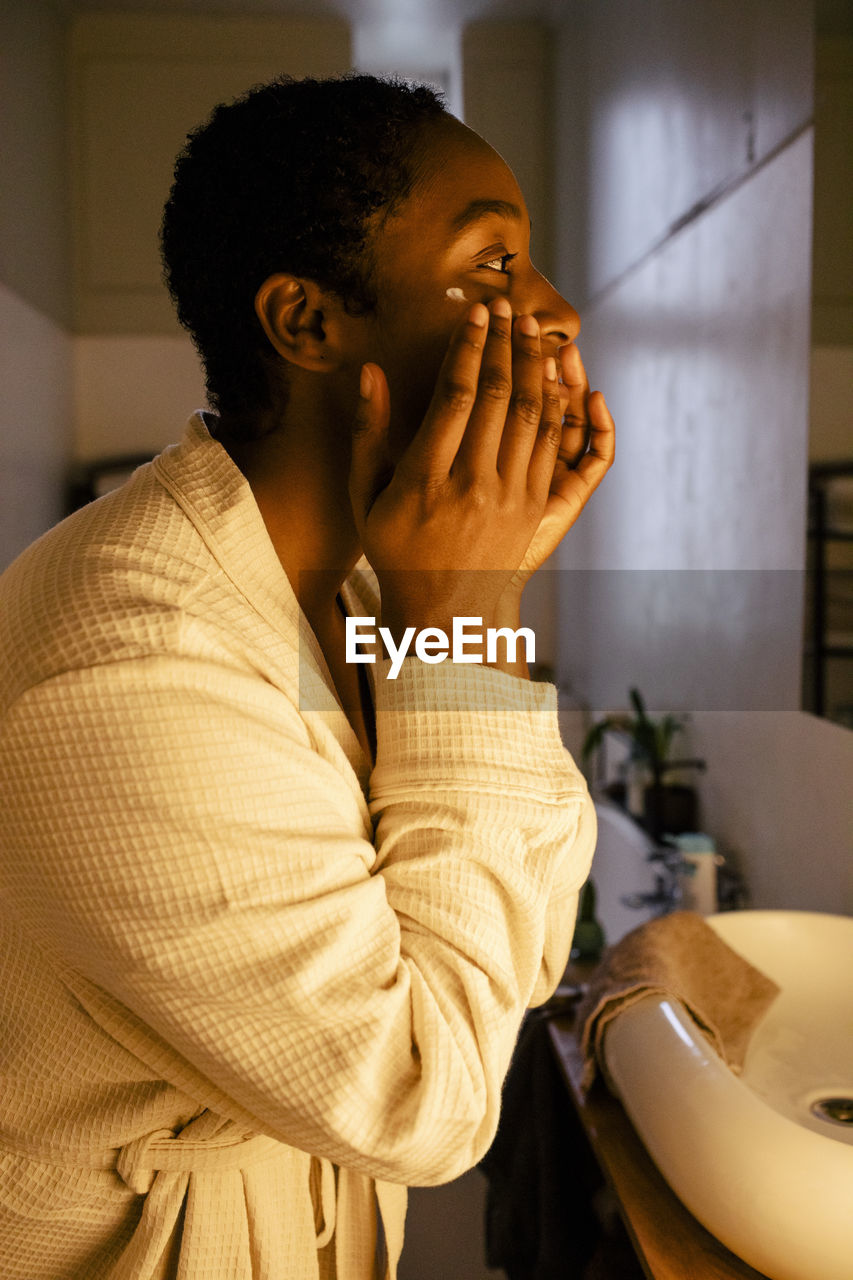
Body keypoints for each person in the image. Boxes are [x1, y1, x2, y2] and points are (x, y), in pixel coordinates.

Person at [0, 74, 614, 1279]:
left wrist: (477, 599)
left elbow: (518, 959)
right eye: (493, 265)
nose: (556, 312)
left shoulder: (367, 590)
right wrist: (472, 622)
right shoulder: (130, 664)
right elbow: (426, 1101)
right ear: (309, 321)